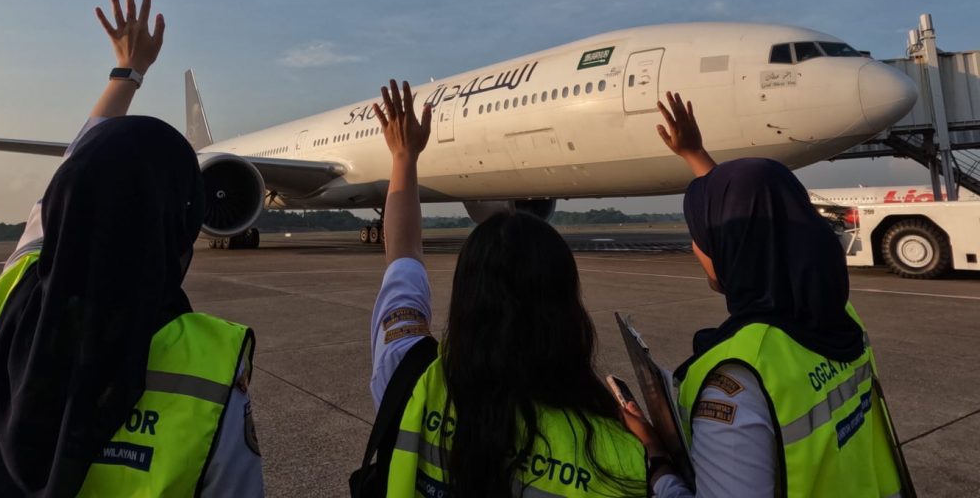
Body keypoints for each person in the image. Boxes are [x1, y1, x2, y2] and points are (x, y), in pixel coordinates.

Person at [0, 0, 265, 497]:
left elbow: (75, 174)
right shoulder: (208, 365)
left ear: (64, 206)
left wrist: (127, 72)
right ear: (181, 223)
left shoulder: (10, 292)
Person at [368, 80, 648, 498]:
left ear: (465, 296)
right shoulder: (620, 453)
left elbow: (403, 257)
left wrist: (403, 157)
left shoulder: (411, 377)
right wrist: (661, 458)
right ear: (569, 309)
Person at [623, 91, 905, 498]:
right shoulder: (838, 317)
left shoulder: (735, 385)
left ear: (735, 249)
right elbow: (759, 213)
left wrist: (656, 462)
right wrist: (694, 154)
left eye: (702, 235)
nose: (695, 248)